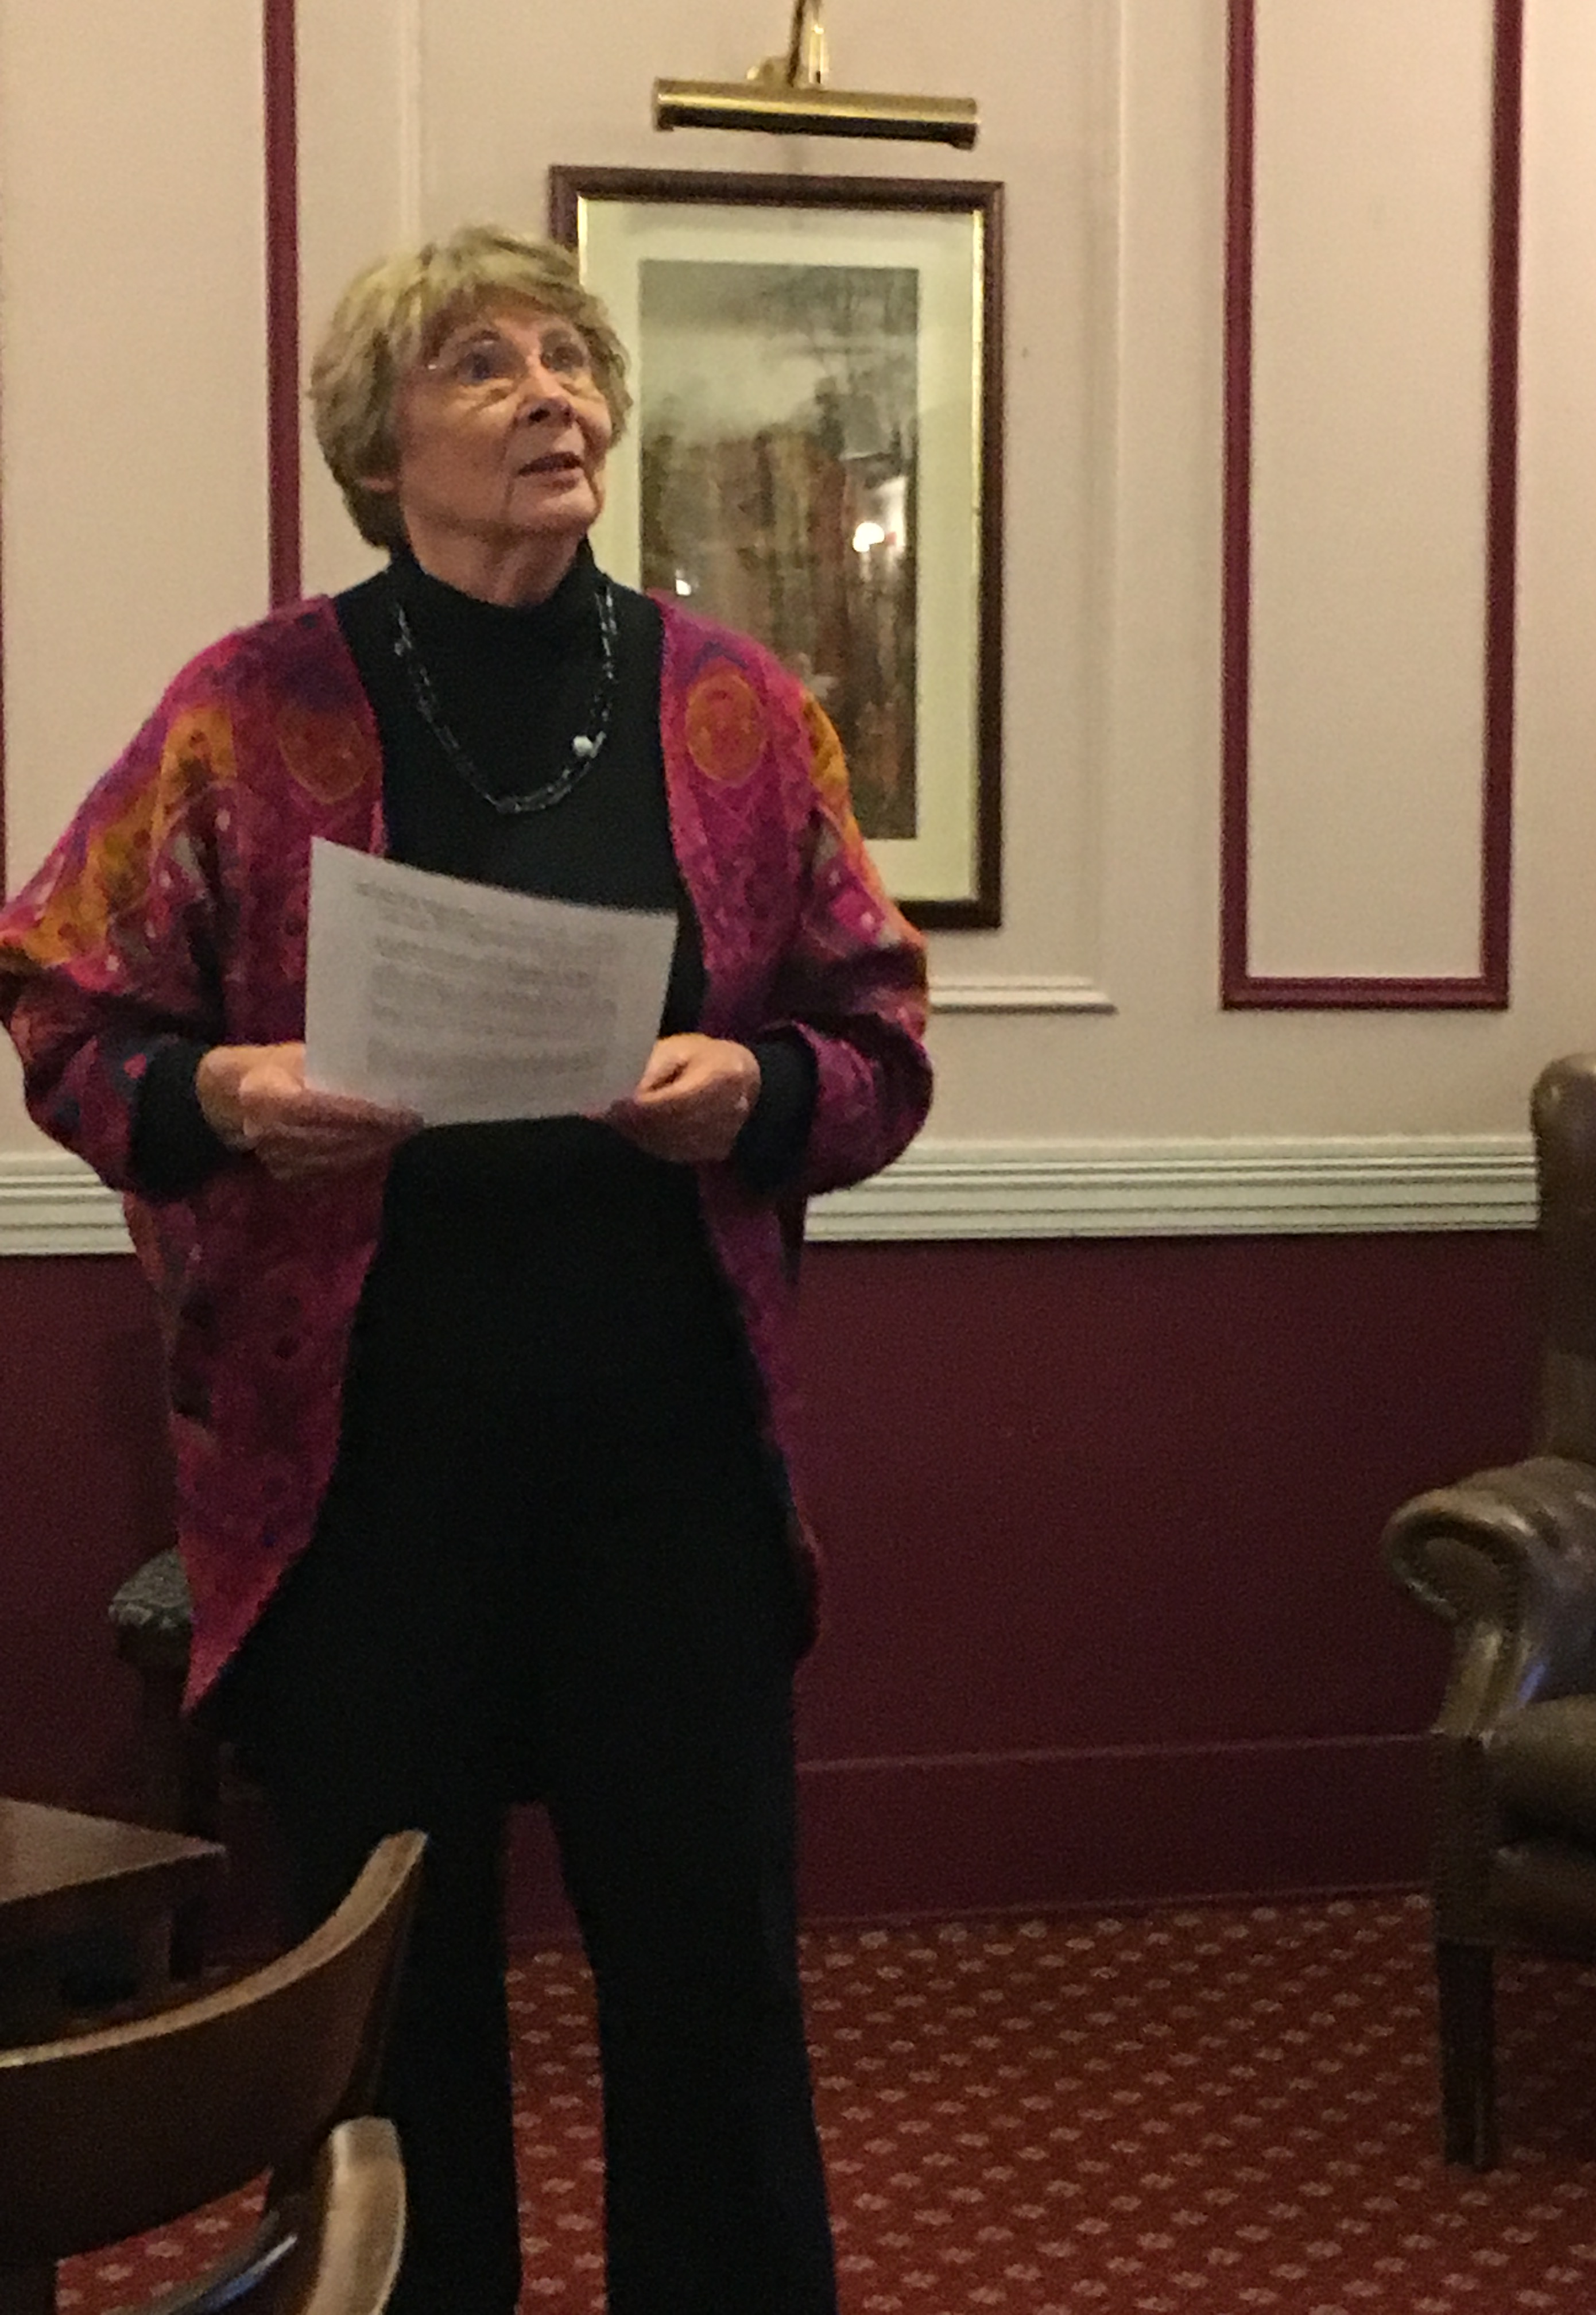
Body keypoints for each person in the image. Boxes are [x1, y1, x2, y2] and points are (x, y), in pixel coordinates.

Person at [0, 224, 931, 2315]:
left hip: (670, 1463)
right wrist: (227, 1088)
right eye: (485, 365)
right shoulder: (247, 709)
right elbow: (65, 1007)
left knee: (710, 1980)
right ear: (377, 444)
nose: (551, 395)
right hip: (365, 1478)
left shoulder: (737, 707)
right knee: (392, 2008)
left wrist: (757, 1087)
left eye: (570, 358)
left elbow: (880, 1039)